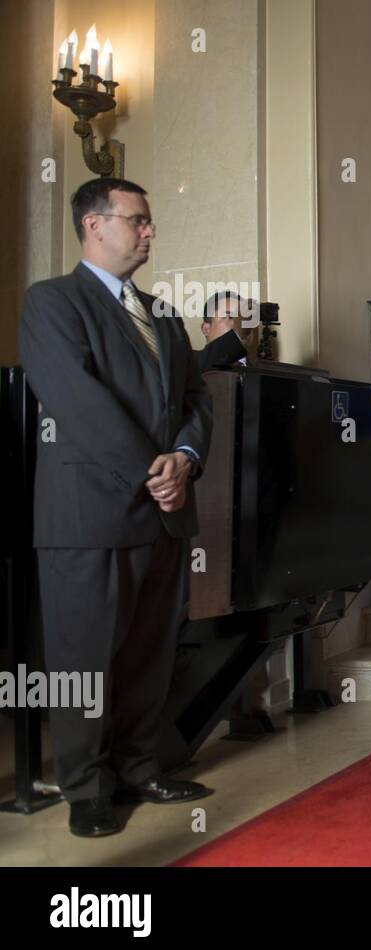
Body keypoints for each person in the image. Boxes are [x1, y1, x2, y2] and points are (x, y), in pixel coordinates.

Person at [19, 178, 214, 837]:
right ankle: (85, 786)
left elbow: (197, 402)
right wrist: (151, 471)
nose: (150, 231)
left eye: (149, 221)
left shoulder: (164, 315)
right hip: (88, 515)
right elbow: (76, 400)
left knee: (147, 653)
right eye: (139, 220)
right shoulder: (52, 303)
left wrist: (184, 458)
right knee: (84, 658)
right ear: (95, 226)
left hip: (163, 511)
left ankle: (139, 766)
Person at [197, 290, 257, 371]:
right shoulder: (189, 364)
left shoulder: (263, 372)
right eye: (230, 316)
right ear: (206, 329)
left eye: (247, 319)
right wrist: (238, 335)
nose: (242, 324)